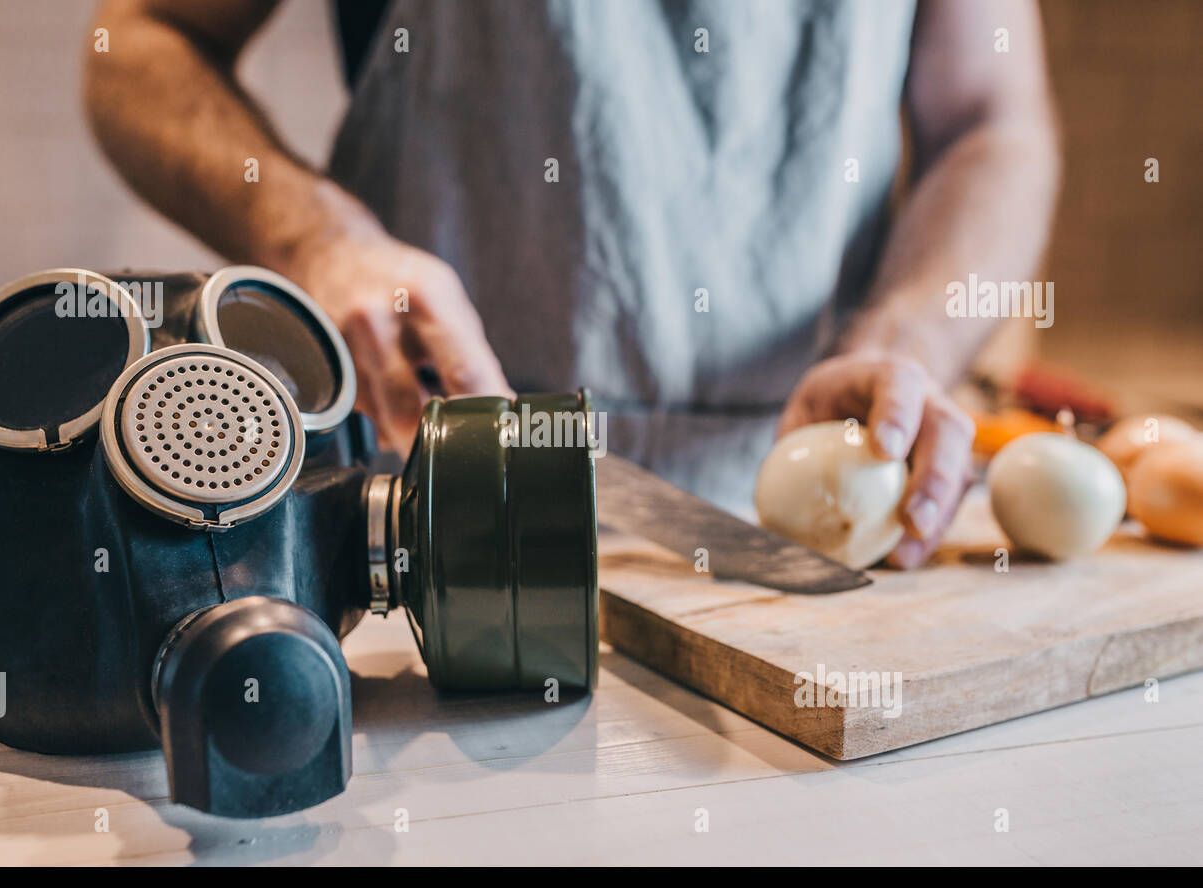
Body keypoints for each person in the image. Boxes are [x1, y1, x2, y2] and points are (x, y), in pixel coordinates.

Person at [84, 0, 1059, 568]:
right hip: (418, 527)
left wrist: (905, 340)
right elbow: (137, 41)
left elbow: (989, 121)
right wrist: (314, 237)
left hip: (793, 532)